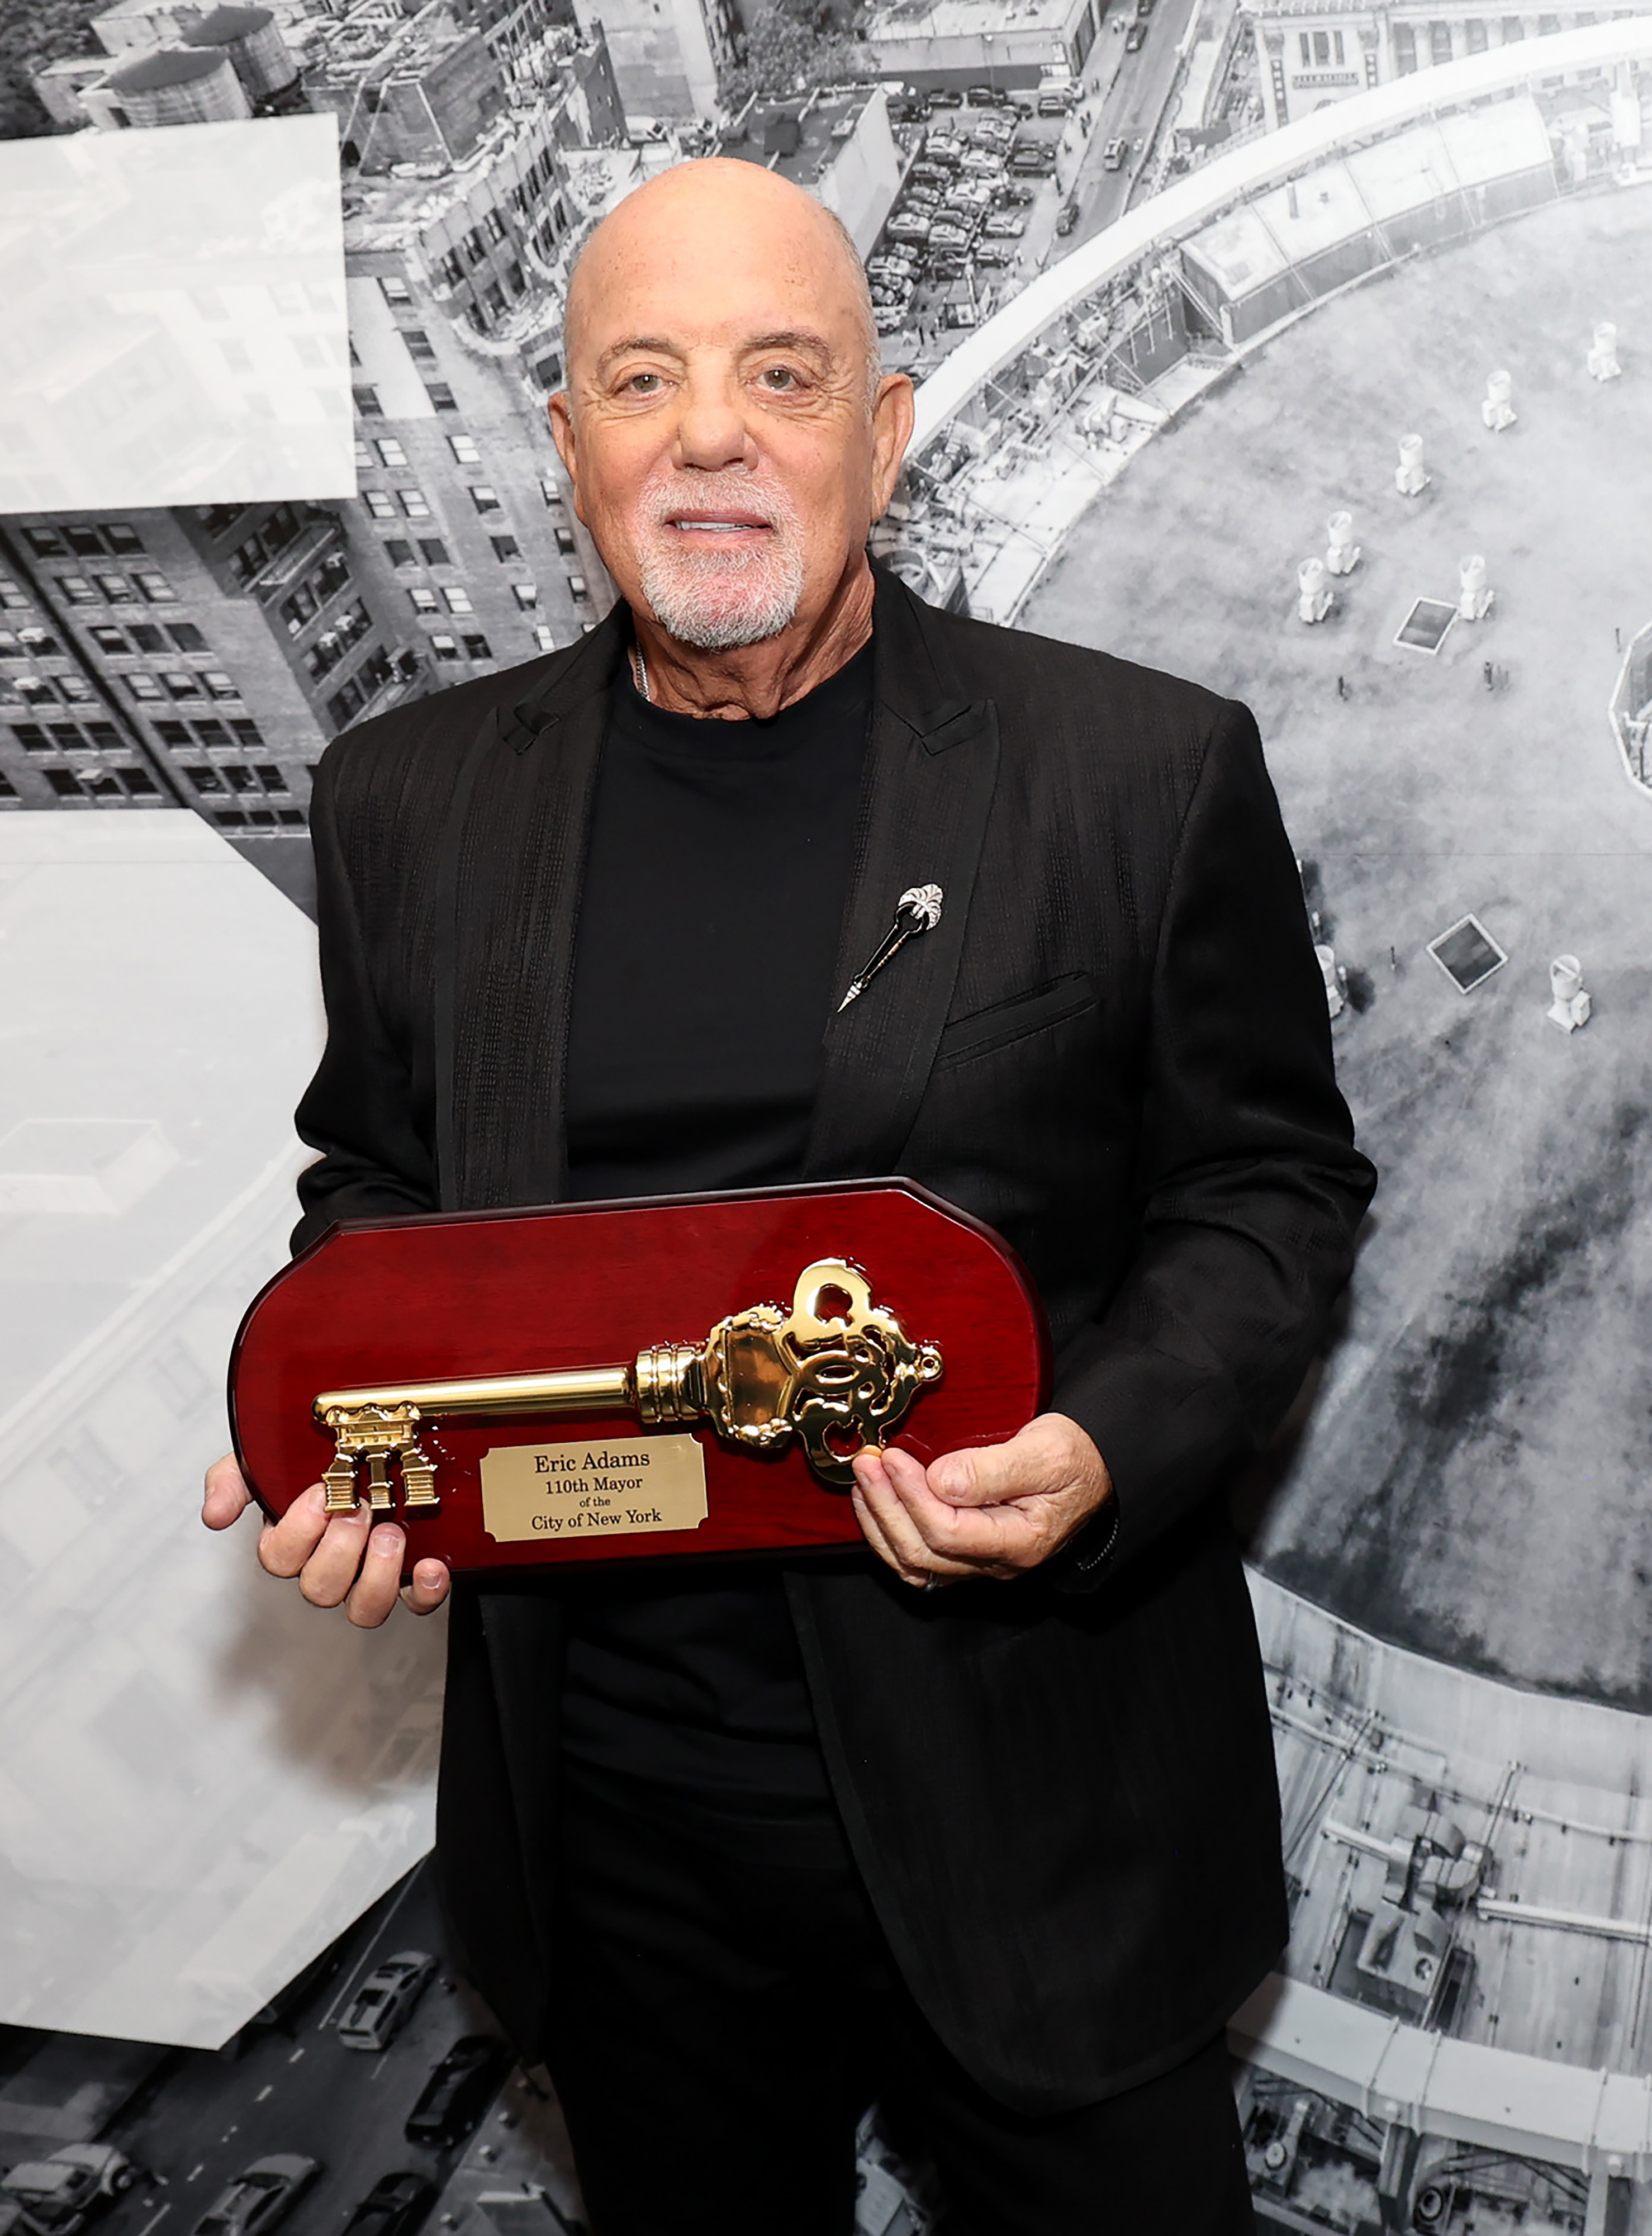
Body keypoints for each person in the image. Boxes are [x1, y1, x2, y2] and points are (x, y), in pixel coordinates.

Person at [202, 158, 1375, 2232]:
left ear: (883, 427)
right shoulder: (406, 801)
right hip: (617, 1841)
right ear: (570, 449)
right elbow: (378, 1179)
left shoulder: (1138, 769)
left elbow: (1268, 1188)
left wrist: (1107, 1447)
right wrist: (348, 1426)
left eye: (781, 371)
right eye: (642, 381)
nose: (713, 434)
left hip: (1041, 1810)